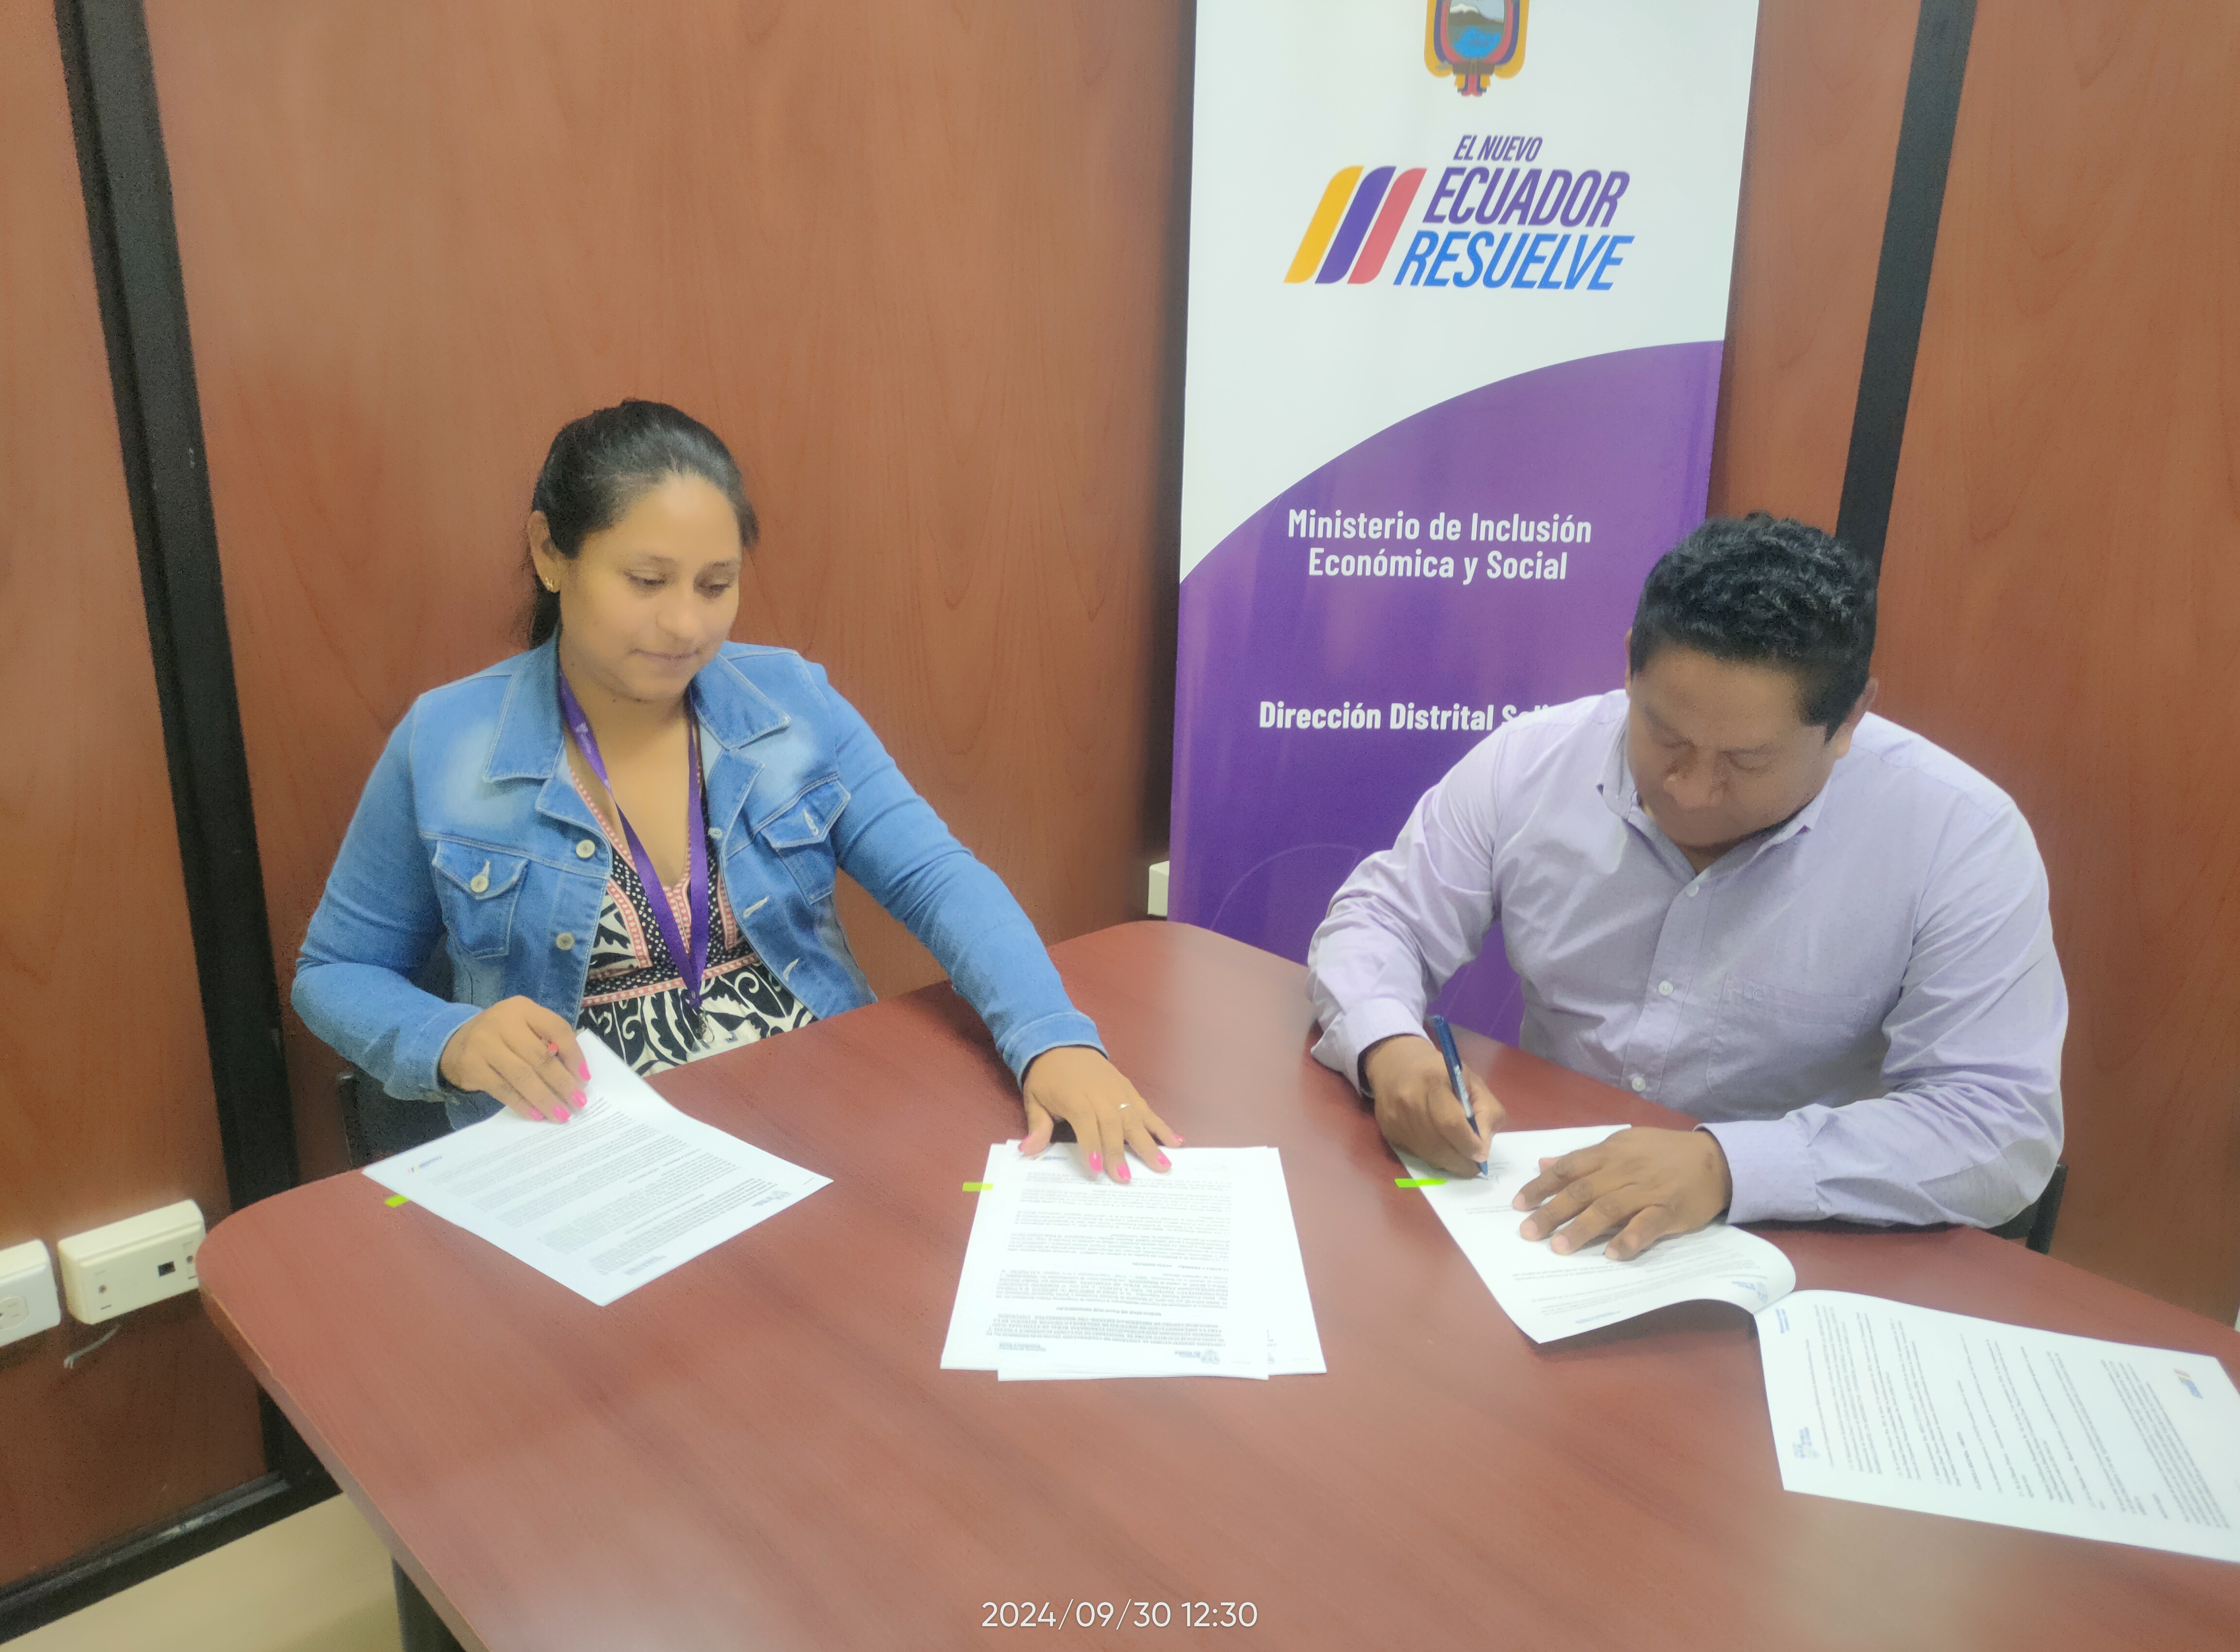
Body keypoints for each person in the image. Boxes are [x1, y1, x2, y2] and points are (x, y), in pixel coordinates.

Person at [296, 399, 1176, 1182]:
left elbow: (939, 880)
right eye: (647, 582)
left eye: (716, 586)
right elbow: (336, 972)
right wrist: (448, 1041)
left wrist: (1052, 1039)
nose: (687, 624)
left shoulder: (792, 705)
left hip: (819, 1124)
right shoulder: (447, 743)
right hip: (581, 1160)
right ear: (550, 554)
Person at [1306, 514, 2065, 1257]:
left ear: (1848, 722)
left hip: (1789, 1239)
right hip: (1540, 1206)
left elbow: (2000, 1127)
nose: (1692, 792)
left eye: (1748, 761)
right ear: (1630, 665)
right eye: (1665, 735)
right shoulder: (1530, 762)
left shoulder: (1957, 837)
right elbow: (1383, 919)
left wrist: (1727, 1166)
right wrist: (1391, 1047)